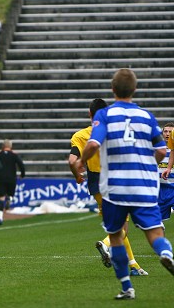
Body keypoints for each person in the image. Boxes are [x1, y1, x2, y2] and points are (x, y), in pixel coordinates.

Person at [75, 68, 174, 300]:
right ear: (135, 90)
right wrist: (149, 163)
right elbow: (161, 149)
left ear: (113, 89)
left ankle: (127, 287)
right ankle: (166, 252)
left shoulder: (105, 115)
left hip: (115, 187)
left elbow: (93, 145)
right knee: (154, 231)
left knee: (117, 235)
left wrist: (81, 161)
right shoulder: (146, 116)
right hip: (144, 185)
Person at [68, 98, 148, 276]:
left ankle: (134, 266)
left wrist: (77, 176)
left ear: (89, 114)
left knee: (117, 224)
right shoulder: (115, 131)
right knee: (122, 228)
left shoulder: (80, 135)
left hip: (96, 184)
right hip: (116, 180)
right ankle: (105, 244)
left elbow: (72, 160)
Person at [0, 139, 25, 225]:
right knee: (10, 193)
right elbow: (21, 165)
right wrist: (22, 175)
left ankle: (0, 218)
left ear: (3, 146)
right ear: (10, 146)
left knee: (0, 198)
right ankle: (9, 199)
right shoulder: (14, 155)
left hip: (1, 179)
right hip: (12, 178)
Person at [159, 123, 174, 221]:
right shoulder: (157, 150)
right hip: (161, 190)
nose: (168, 134)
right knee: (158, 223)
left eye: (170, 132)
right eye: (165, 131)